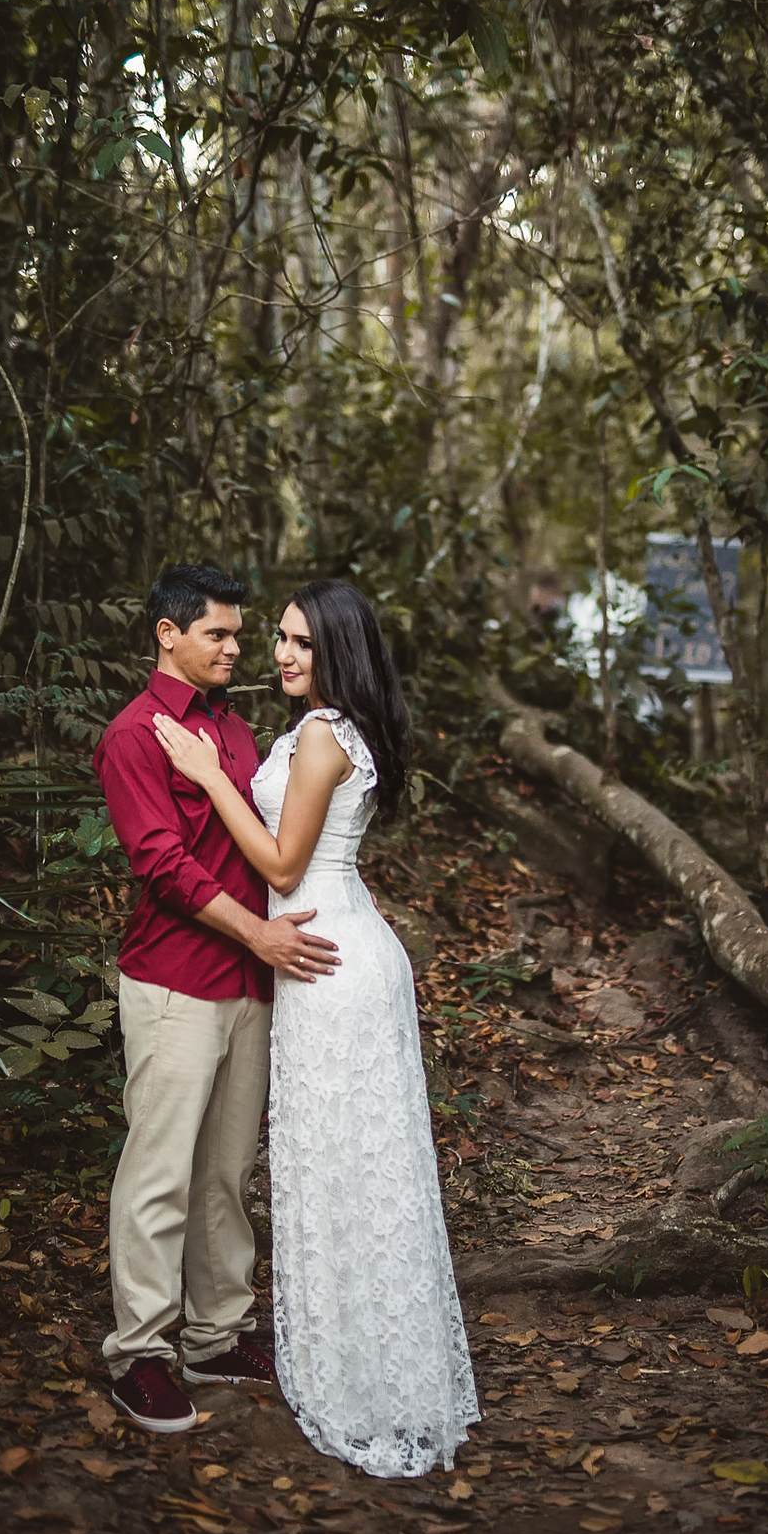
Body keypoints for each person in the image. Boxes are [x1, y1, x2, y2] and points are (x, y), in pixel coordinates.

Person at [152, 579, 479, 1478]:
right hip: (337, 945)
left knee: (341, 1165)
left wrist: (210, 774)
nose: (284, 656)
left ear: (339, 650)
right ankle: (369, 1361)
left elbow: (285, 862)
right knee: (355, 1164)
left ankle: (367, 1380)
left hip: (322, 961)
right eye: (281, 642)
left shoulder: (323, 735)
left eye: (303, 643)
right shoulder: (335, 731)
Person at [94, 562, 341, 1435]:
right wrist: (261, 935)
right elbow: (163, 867)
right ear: (168, 635)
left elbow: (274, 844)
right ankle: (140, 1353)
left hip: (251, 981)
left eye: (243, 635)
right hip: (175, 982)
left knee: (227, 1171)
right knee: (159, 1173)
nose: (240, 649)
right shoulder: (135, 736)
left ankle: (215, 1332)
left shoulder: (236, 733)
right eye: (220, 635)